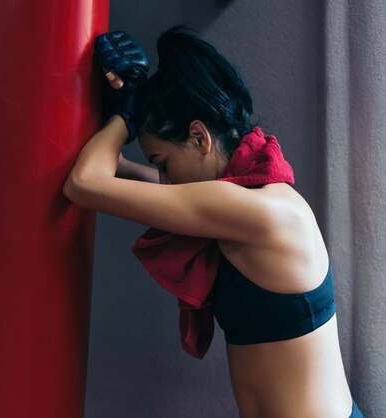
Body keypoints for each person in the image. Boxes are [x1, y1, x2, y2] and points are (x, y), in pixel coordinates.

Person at [63, 26, 364, 418]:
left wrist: (129, 114)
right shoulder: (243, 199)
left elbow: (84, 184)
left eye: (164, 163)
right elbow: (113, 173)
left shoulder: (258, 211)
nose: (165, 180)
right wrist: (110, 115)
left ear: (199, 137)